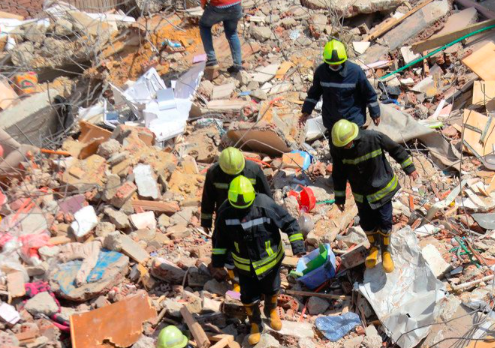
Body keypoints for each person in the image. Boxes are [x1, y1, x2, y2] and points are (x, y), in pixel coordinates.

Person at [211, 176, 305, 345]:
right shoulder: (225, 212)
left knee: (273, 288)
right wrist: (219, 261)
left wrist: (298, 246)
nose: (242, 212)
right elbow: (219, 239)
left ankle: (271, 311)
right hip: (245, 267)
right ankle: (255, 323)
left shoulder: (264, 205)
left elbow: (289, 223)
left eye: (245, 208)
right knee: (247, 296)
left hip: (270, 262)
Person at [331, 120, 419, 273]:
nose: (346, 147)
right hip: (362, 194)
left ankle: (386, 251)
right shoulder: (339, 150)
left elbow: (396, 150)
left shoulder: (373, 138)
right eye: (342, 145)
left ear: (354, 137)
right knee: (367, 223)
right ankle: (374, 247)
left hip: (382, 189)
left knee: (385, 221)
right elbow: (338, 174)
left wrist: (409, 168)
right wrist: (339, 198)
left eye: (347, 144)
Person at [201, 147, 272, 292]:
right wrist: (206, 221)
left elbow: (266, 195)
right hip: (224, 219)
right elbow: (208, 198)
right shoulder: (214, 173)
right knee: (224, 250)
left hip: (249, 216)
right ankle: (236, 280)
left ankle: (254, 277)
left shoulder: (253, 170)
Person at [299, 39, 381, 132]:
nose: (335, 66)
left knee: (354, 146)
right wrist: (306, 111)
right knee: (335, 145)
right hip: (332, 121)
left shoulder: (355, 72)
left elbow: (369, 94)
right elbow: (314, 94)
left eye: (337, 64)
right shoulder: (321, 72)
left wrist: (375, 113)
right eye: (332, 64)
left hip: (352, 120)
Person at [199, 0, 243, 75]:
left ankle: (212, 60)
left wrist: (203, 4)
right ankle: (238, 65)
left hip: (219, 5)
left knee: (204, 25)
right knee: (232, 33)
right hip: (236, 5)